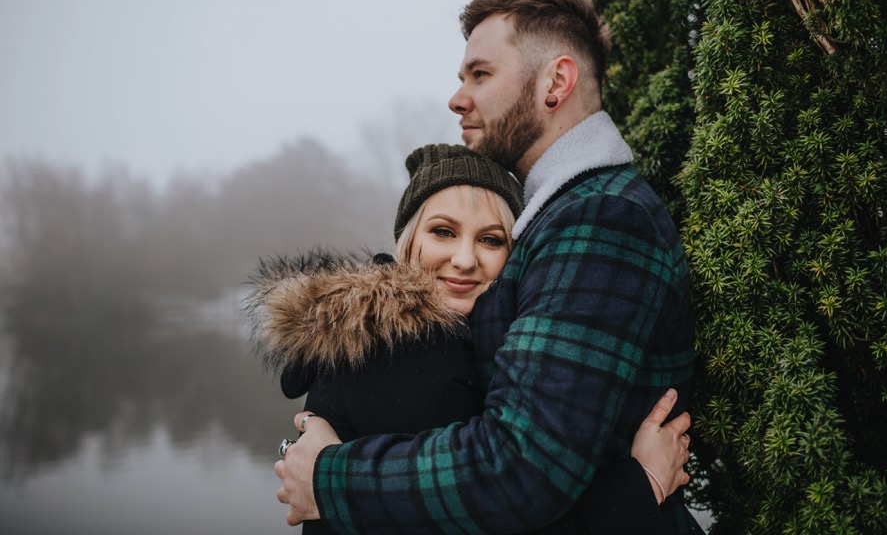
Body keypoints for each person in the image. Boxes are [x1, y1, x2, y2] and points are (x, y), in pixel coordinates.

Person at [277, 0, 701, 534]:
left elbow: (519, 469)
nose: (457, 98)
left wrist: (327, 478)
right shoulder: (561, 214)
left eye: (480, 75)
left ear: (556, 82)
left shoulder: (599, 217)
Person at [249, 144, 691, 533]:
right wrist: (643, 483)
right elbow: (501, 513)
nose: (464, 259)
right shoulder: (408, 351)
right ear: (406, 241)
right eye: (443, 232)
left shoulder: (437, 337)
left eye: (491, 240)